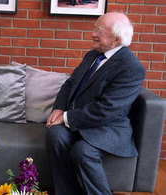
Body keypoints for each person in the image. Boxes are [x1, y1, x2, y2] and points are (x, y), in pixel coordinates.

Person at [46, 12, 145, 195]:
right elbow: (70, 83)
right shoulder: (93, 55)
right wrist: (59, 108)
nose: (93, 34)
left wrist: (66, 117)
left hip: (108, 126)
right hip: (81, 120)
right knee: (56, 135)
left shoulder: (131, 67)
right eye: (94, 29)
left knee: (83, 151)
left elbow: (107, 110)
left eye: (98, 31)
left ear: (116, 40)